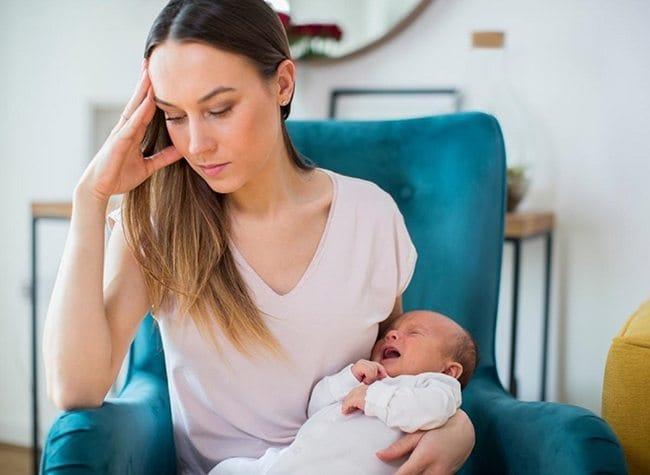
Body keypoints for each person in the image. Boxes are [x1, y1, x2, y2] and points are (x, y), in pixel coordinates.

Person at [42, 0, 476, 473]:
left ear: (283, 84)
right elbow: (77, 388)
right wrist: (91, 197)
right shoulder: (161, 225)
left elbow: (395, 367)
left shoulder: (370, 215)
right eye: (174, 115)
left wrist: (459, 426)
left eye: (219, 109)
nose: (197, 144)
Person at [209, 311, 479, 474]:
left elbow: (429, 410)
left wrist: (372, 398)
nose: (392, 336)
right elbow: (316, 408)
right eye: (389, 333)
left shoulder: (437, 387)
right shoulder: (370, 381)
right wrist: (348, 379)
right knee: (227, 469)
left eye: (415, 333)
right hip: (286, 464)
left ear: (449, 370)